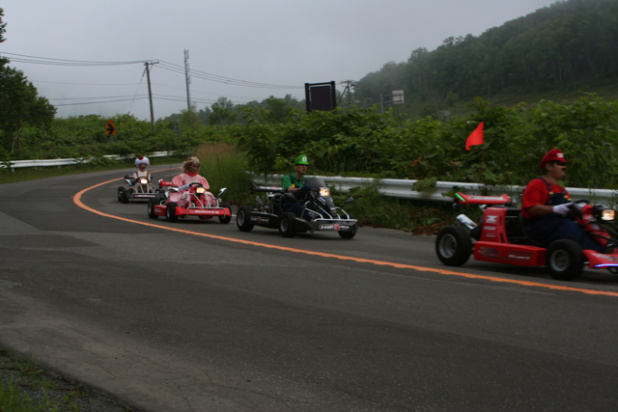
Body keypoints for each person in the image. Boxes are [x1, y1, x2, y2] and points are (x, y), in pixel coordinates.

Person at [521, 148, 600, 251]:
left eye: (564, 164)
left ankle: (609, 246)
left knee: (588, 224)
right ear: (549, 166)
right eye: (560, 164)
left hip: (557, 224)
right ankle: (596, 251)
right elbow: (530, 208)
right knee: (567, 226)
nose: (564, 167)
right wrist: (555, 209)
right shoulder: (537, 184)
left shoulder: (561, 189)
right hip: (539, 227)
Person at [281, 154, 311, 219]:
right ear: (295, 167)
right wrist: (300, 189)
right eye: (302, 165)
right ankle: (311, 220)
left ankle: (331, 219)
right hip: (290, 204)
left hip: (303, 202)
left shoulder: (306, 180)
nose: (304, 167)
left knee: (316, 205)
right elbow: (289, 189)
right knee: (298, 207)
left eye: (306, 165)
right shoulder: (288, 178)